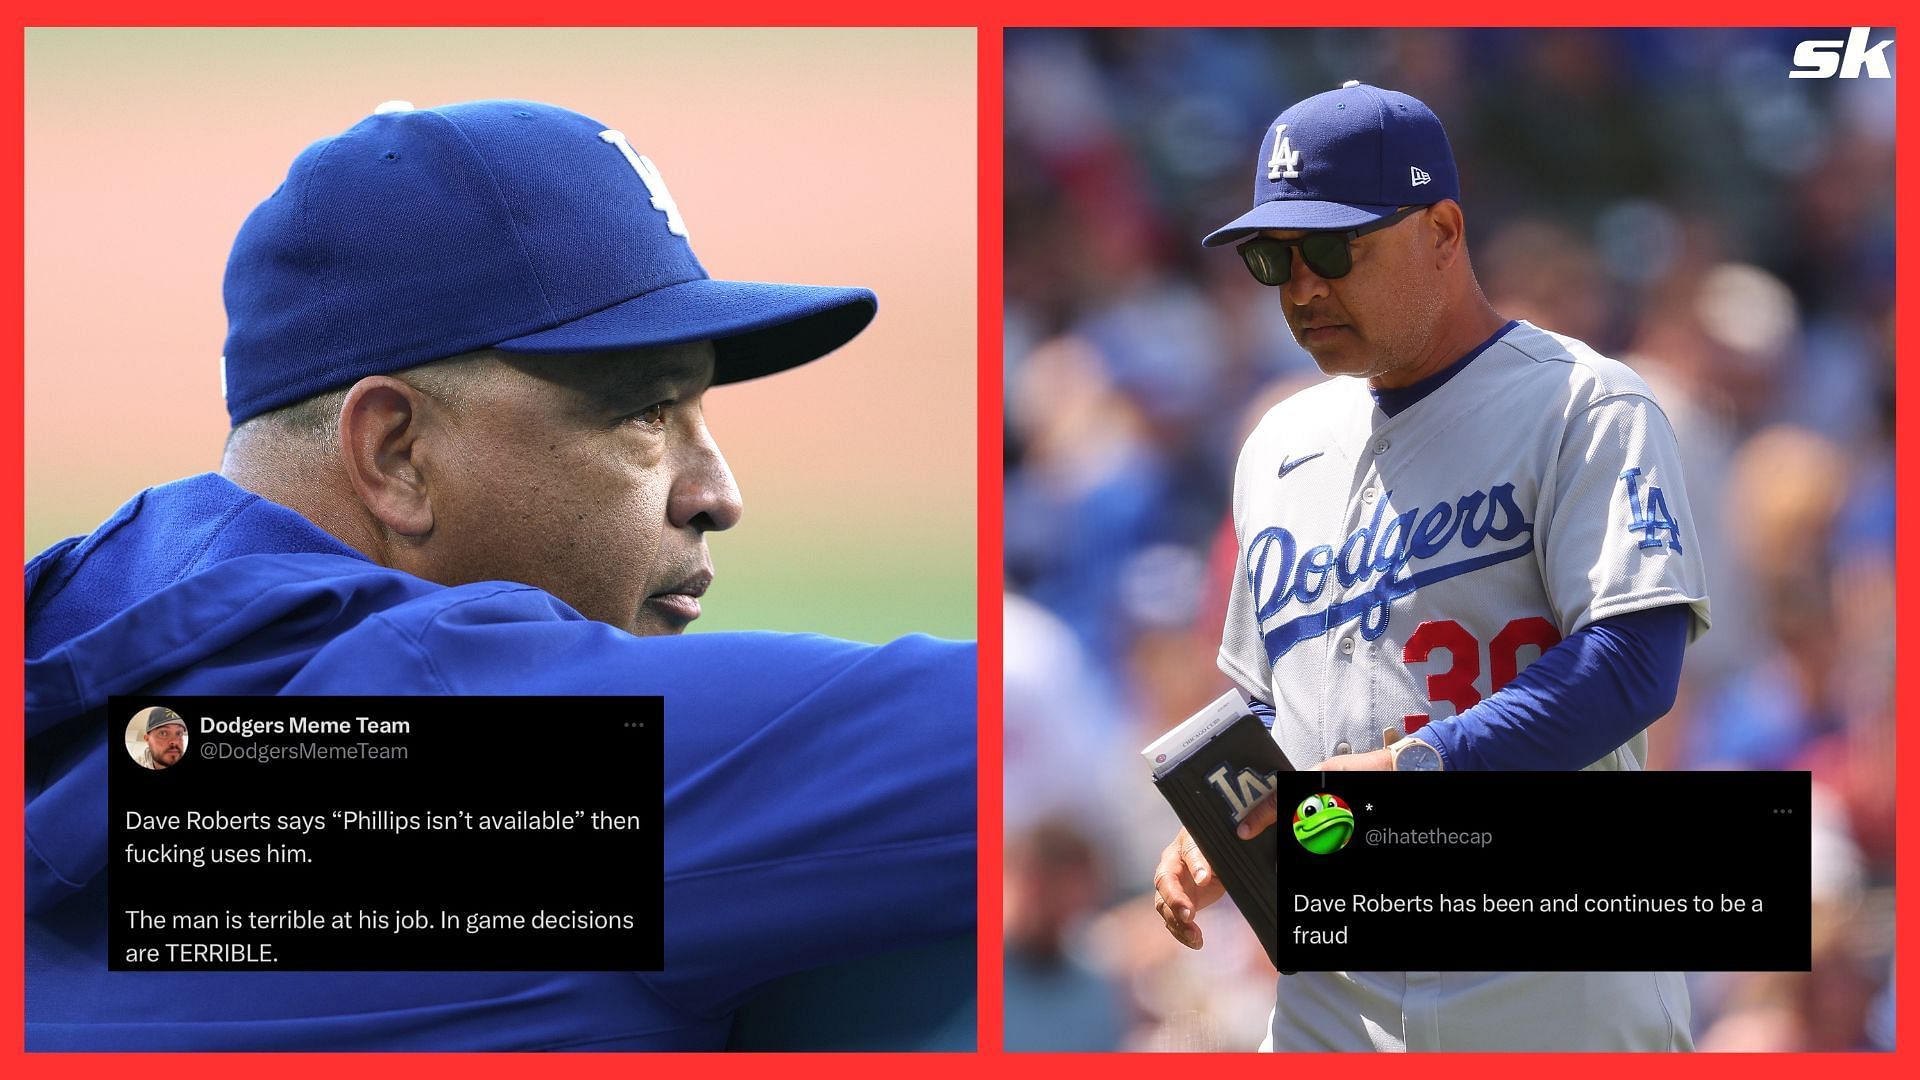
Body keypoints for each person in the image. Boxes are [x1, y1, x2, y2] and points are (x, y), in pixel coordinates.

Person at [25, 99, 975, 1050]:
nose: (716, 493)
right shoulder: (492, 772)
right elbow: (1004, 742)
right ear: (397, 454)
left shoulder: (90, 691)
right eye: (645, 411)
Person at [1151, 82, 1710, 1052]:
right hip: (1336, 990)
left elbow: (1633, 662)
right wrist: (1235, 821)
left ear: (1444, 231)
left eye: (1333, 249)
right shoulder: (1276, 445)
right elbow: (1279, 705)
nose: (1302, 287)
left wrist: (1418, 770)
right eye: (1271, 257)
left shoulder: (1582, 403)